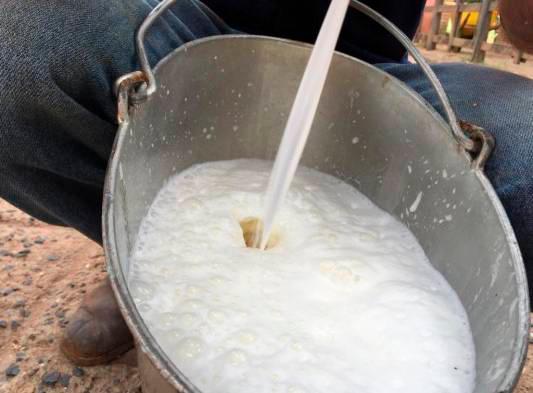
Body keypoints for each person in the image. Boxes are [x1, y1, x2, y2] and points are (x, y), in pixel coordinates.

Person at [1, 0, 532, 366]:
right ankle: (144, 256)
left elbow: (520, 31)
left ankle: (395, 319)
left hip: (368, 72)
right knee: (17, 43)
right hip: (188, 32)